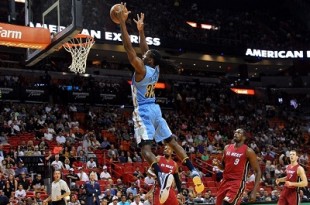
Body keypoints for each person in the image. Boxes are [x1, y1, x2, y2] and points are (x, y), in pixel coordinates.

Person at [115, 4, 204, 201]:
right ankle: (193, 170)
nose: (142, 54)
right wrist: (141, 30)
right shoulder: (155, 69)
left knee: (145, 148)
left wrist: (122, 23)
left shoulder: (141, 69)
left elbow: (129, 48)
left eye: (145, 56)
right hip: (156, 109)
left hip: (144, 111)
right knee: (172, 141)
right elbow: (146, 49)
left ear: (149, 61)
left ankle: (162, 176)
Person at [213, 128, 261, 205]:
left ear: (244, 137)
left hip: (237, 182)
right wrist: (217, 164)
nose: (235, 133)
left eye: (239, 133)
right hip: (225, 181)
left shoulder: (248, 151)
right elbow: (223, 166)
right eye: (235, 132)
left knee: (227, 203)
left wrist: (254, 191)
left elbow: (258, 171)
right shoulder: (227, 148)